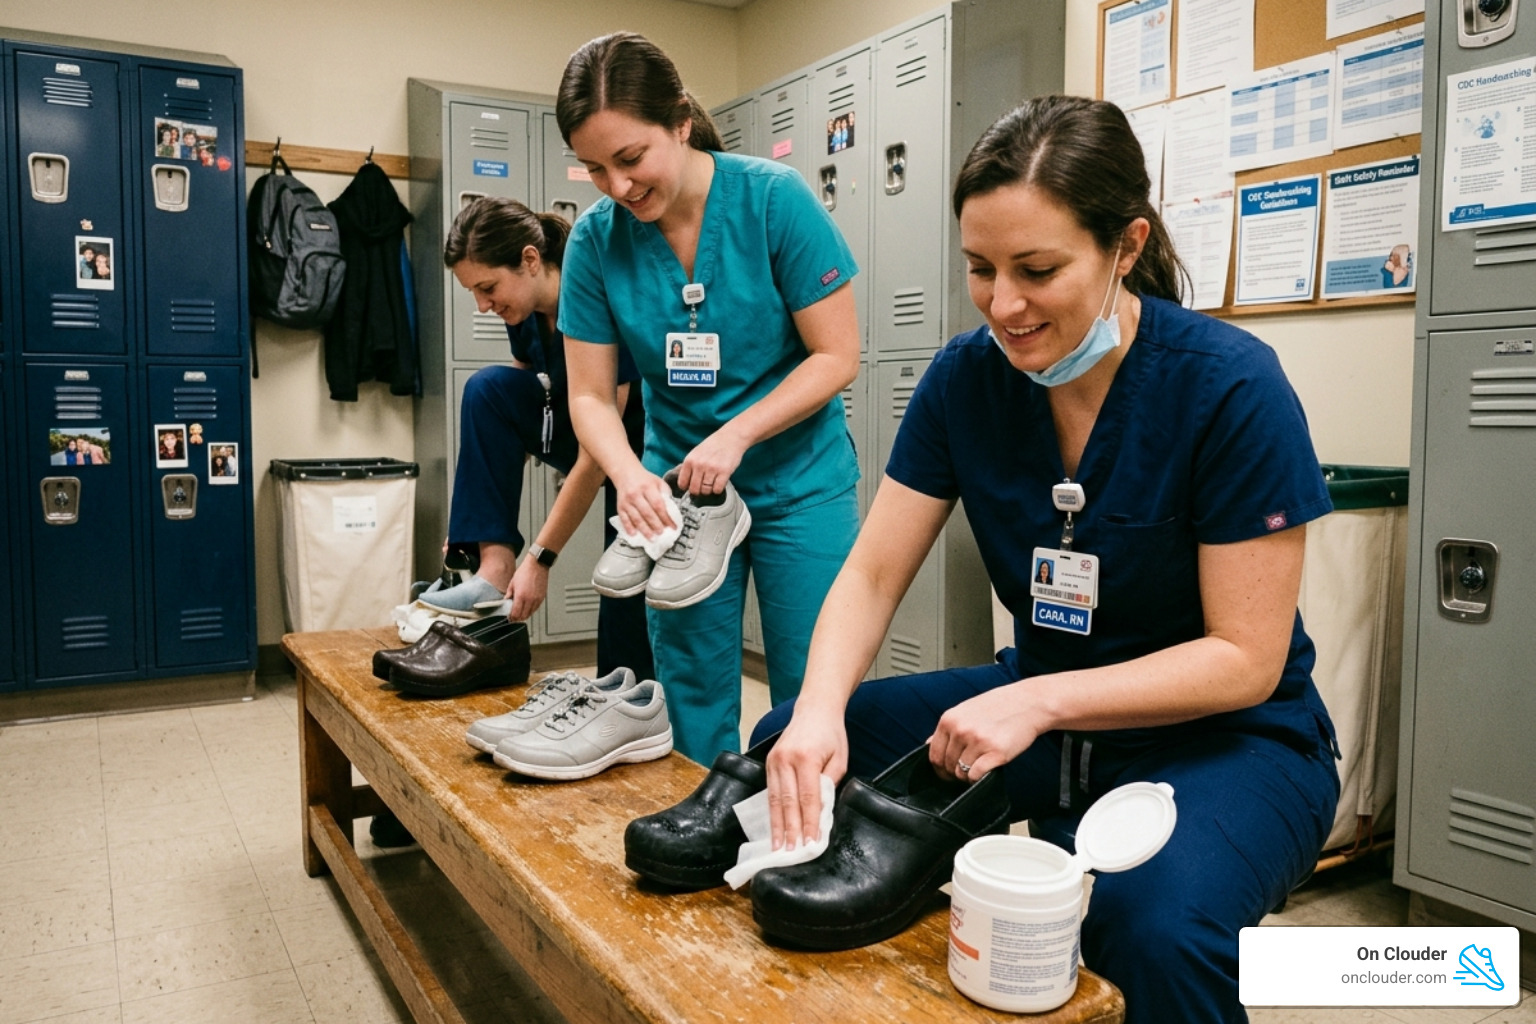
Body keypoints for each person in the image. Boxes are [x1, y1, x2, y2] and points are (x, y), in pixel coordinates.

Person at [756, 96, 1339, 1024]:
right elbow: (870, 574)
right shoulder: (964, 380)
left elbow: (1244, 658)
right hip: (1043, 708)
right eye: (980, 270)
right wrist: (820, 713)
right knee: (787, 751)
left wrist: (1034, 699)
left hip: (1230, 736)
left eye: (1038, 269)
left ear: (1127, 245)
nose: (1004, 305)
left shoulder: (1230, 386)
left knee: (1149, 930)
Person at [557, 32, 862, 763]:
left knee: (811, 688)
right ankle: (704, 842)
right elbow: (591, 397)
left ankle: (807, 842)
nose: (618, 187)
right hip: (679, 497)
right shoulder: (596, 243)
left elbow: (837, 355)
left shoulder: (772, 200)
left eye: (631, 159)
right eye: (596, 169)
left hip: (798, 483)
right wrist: (630, 477)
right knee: (691, 685)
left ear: (681, 122)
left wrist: (737, 435)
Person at [429, 196, 653, 681]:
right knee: (486, 388)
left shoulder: (596, 295)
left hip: (635, 451)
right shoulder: (525, 314)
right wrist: (478, 507)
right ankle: (493, 568)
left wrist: (542, 557)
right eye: (474, 293)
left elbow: (599, 452)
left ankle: (627, 702)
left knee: (625, 595)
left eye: (488, 288)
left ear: (531, 260)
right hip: (577, 430)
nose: (483, 305)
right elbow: (522, 394)